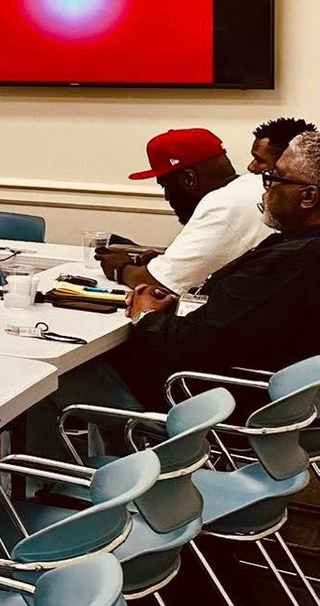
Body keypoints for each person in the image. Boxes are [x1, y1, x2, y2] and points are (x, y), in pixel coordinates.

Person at [50, 128, 320, 431]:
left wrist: (148, 315)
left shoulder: (290, 262)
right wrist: (178, 305)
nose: (263, 188)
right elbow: (235, 321)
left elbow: (190, 344)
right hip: (245, 383)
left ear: (308, 197)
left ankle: (78, 474)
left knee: (53, 373)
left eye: (274, 178)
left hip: (208, 399)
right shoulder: (294, 248)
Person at [100, 127, 281, 295]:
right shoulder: (254, 186)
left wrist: (120, 269)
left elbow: (159, 284)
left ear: (189, 179)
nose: (167, 197)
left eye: (166, 186)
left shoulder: (222, 206)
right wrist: (166, 260)